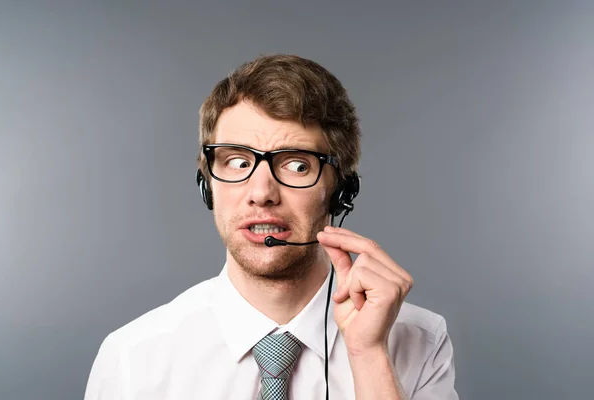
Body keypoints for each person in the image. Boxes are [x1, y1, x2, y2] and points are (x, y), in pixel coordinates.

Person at [85, 54, 459, 400]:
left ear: (340, 192)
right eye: (236, 161)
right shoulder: (131, 358)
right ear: (207, 185)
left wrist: (368, 354)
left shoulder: (419, 341)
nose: (262, 193)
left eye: (297, 165)